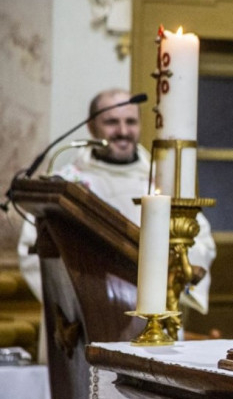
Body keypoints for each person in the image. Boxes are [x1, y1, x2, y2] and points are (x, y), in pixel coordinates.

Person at [18, 88, 217, 317]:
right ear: (91, 127)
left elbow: (199, 242)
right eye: (111, 122)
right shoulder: (65, 186)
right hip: (84, 316)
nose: (123, 131)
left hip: (154, 316)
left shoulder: (163, 183)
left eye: (130, 122)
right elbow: (32, 250)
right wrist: (80, 298)